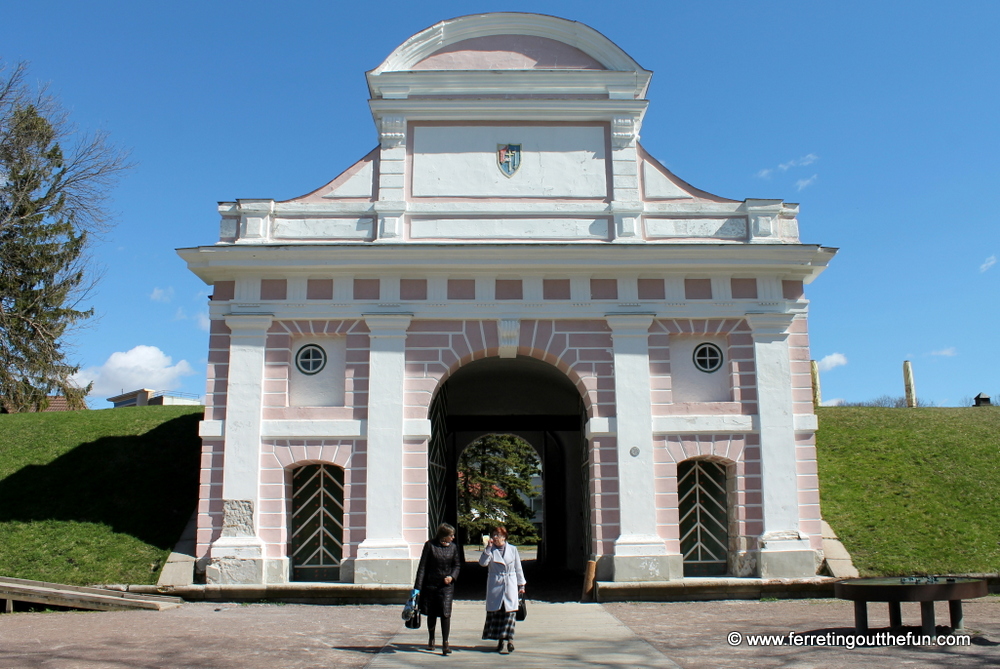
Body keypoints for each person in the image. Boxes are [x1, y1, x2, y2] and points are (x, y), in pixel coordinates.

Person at [414, 523, 463, 655]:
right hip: (431, 584)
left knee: (445, 613)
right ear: (444, 535)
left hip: (446, 586)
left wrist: (452, 577)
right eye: (450, 535)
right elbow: (422, 567)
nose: (453, 538)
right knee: (432, 612)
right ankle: (431, 638)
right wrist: (417, 588)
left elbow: (457, 565)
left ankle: (445, 643)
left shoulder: (453, 548)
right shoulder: (430, 545)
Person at [478, 526, 526, 654]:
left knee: (510, 612)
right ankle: (501, 640)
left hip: (510, 583)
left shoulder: (513, 549)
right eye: (493, 535)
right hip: (496, 584)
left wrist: (521, 585)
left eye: (498, 535)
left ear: (504, 537)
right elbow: (482, 563)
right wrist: (488, 548)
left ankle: (510, 640)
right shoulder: (491, 550)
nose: (495, 537)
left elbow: (518, 567)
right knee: (498, 612)